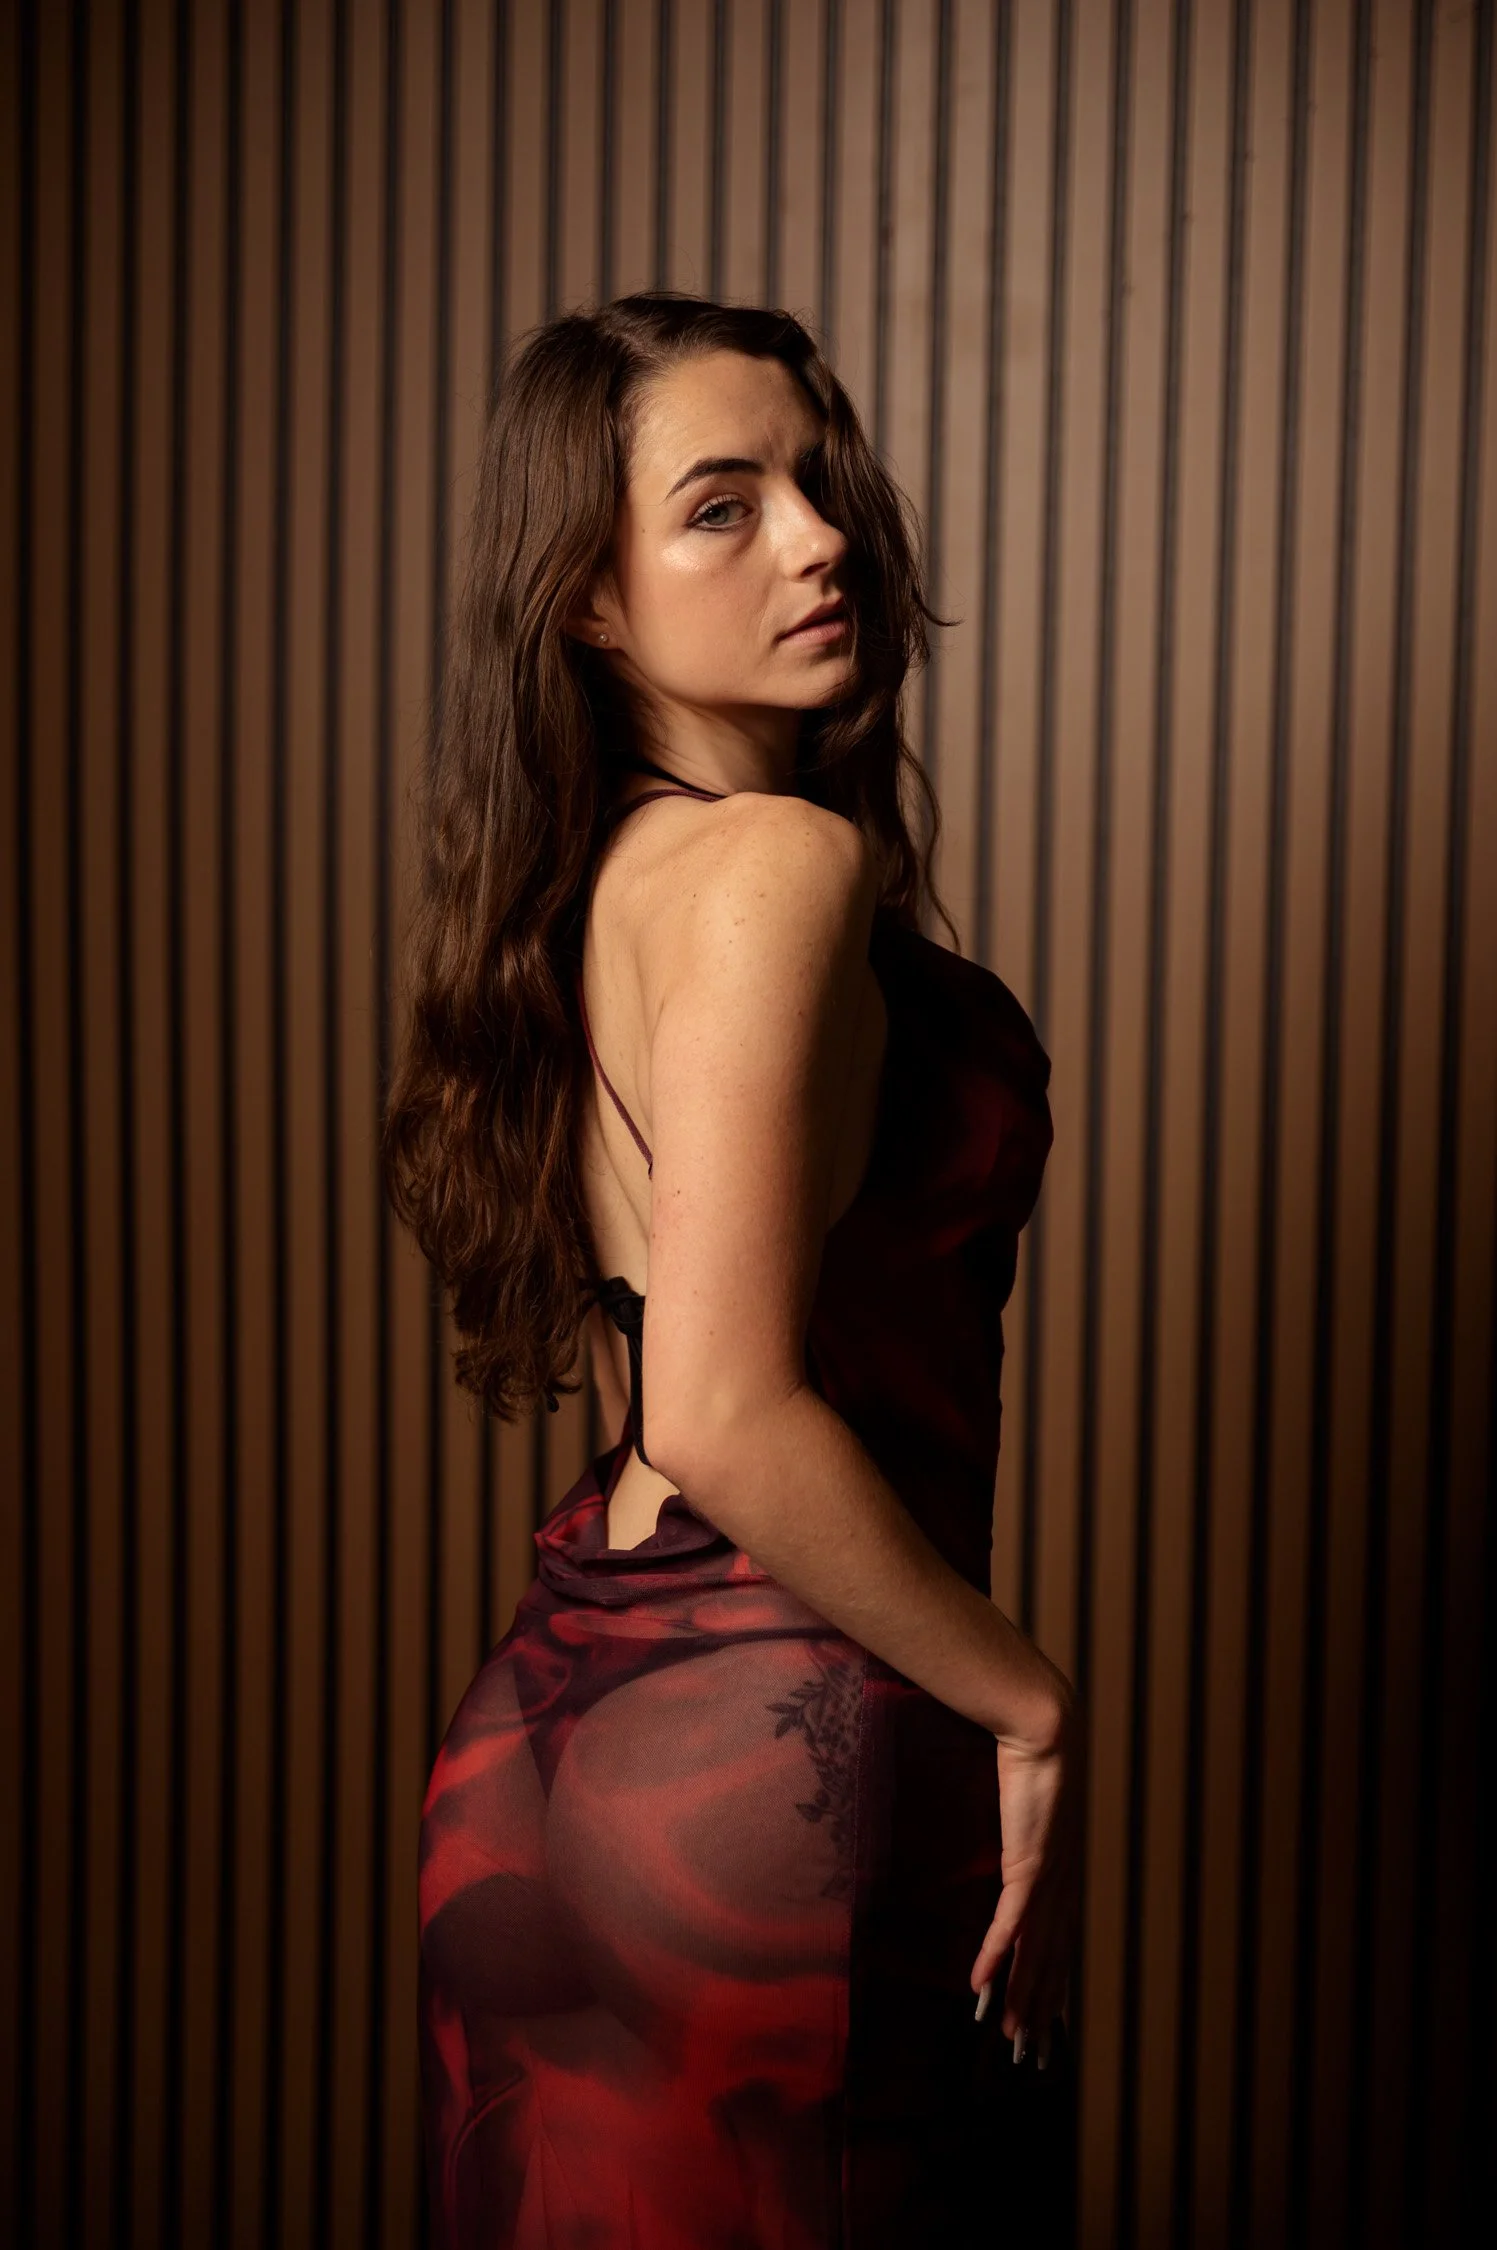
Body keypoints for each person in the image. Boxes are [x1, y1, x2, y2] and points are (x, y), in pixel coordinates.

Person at [383, 291, 1084, 2248]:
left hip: (538, 1749)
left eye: (815, 479)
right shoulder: (774, 865)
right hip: (779, 1767)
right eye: (722, 506)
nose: (820, 536)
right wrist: (1023, 1700)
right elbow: (720, 1406)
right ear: (588, 602)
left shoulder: (601, 888)